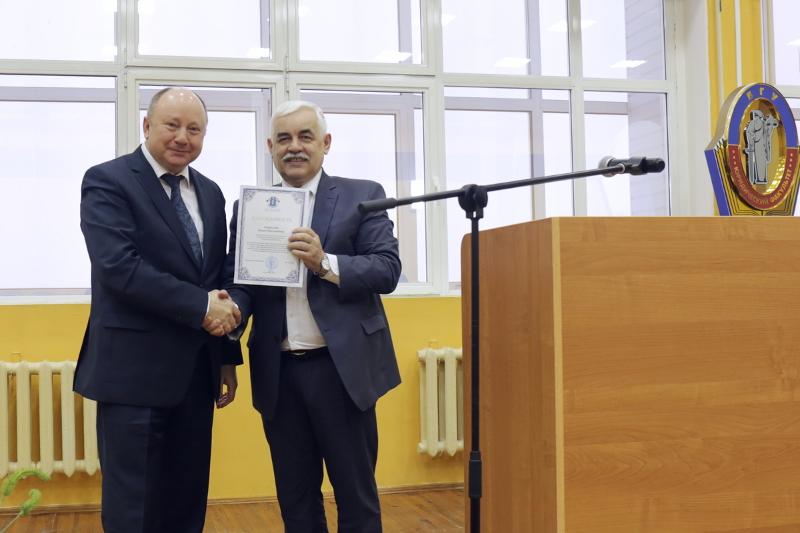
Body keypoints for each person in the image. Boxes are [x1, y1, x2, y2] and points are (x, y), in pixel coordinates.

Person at [224, 100, 402, 532]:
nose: (295, 147)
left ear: (326, 143)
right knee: (296, 499)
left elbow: (387, 269)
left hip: (341, 372)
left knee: (356, 498)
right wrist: (230, 311)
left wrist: (325, 263)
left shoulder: (363, 195)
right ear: (270, 147)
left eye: (305, 137)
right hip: (279, 374)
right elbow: (242, 283)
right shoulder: (251, 207)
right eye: (284, 138)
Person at [75, 87, 242, 533]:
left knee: (186, 502)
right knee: (134, 509)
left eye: (194, 129)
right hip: (133, 377)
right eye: (172, 125)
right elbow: (119, 268)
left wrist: (226, 356)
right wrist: (201, 306)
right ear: (147, 125)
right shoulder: (108, 181)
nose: (183, 137)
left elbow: (217, 279)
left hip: (196, 375)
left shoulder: (211, 193)